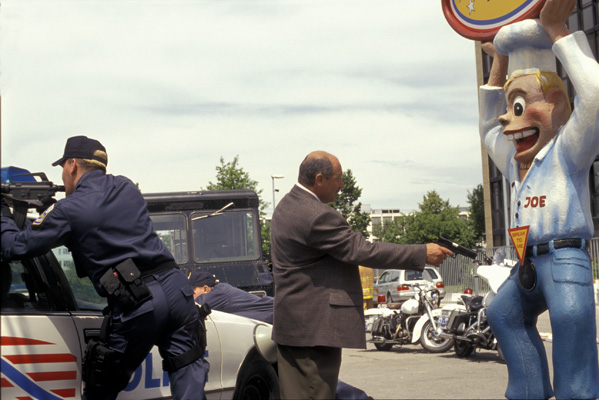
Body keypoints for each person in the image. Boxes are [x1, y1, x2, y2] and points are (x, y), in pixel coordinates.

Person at [0, 135, 209, 400]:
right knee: (188, 372)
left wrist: (4, 215)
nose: (63, 175)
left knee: (102, 389)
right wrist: (50, 208)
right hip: (178, 291)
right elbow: (101, 214)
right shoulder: (127, 187)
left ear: (72, 164)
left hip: (139, 303)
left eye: (63, 167)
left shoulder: (68, 210)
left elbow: (13, 247)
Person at [479, 1, 599, 398]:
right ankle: (528, 391)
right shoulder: (516, 164)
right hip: (526, 261)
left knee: (570, 316)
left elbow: (595, 98)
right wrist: (498, 63)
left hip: (565, 256)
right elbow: (487, 130)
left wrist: (559, 32)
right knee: (502, 312)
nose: (505, 119)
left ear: (556, 105)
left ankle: (576, 395)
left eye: (518, 106)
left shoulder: (567, 150)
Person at [270, 150, 452, 399]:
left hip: (297, 327)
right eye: (338, 178)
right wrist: (421, 253)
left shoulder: (288, 204)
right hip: (313, 331)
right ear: (320, 179)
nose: (342, 185)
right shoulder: (315, 215)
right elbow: (362, 250)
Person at [189, 270, 373, 400]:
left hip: (291, 326)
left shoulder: (219, 293)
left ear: (206, 288)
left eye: (193, 292)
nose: (193, 296)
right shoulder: (222, 292)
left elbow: (191, 307)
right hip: (284, 326)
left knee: (309, 375)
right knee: (305, 376)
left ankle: (359, 398)